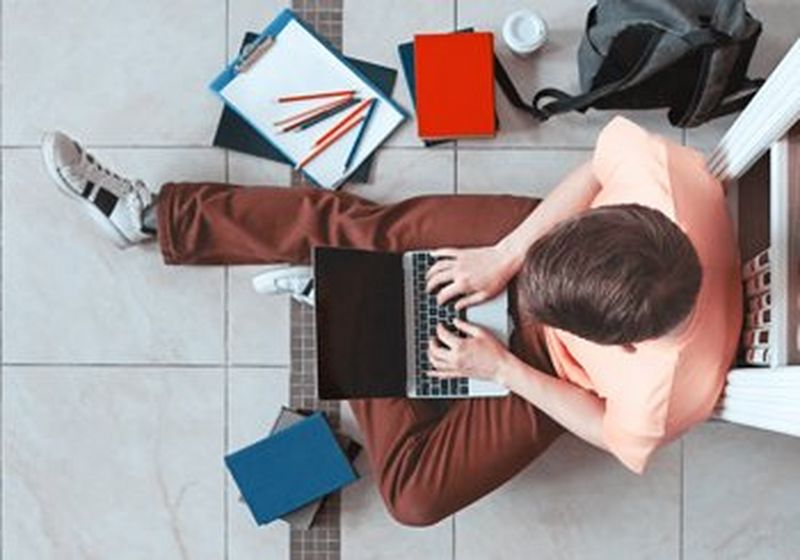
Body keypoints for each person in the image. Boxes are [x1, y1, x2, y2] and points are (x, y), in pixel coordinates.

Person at [41, 116, 742, 527]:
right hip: (537, 250)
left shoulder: (664, 397)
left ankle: (346, 304)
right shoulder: (664, 175)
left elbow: (595, 421)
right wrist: (506, 256)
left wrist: (505, 367)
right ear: (633, 218)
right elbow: (591, 175)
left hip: (550, 372)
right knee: (361, 233)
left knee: (412, 494)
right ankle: (151, 216)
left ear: (619, 345)